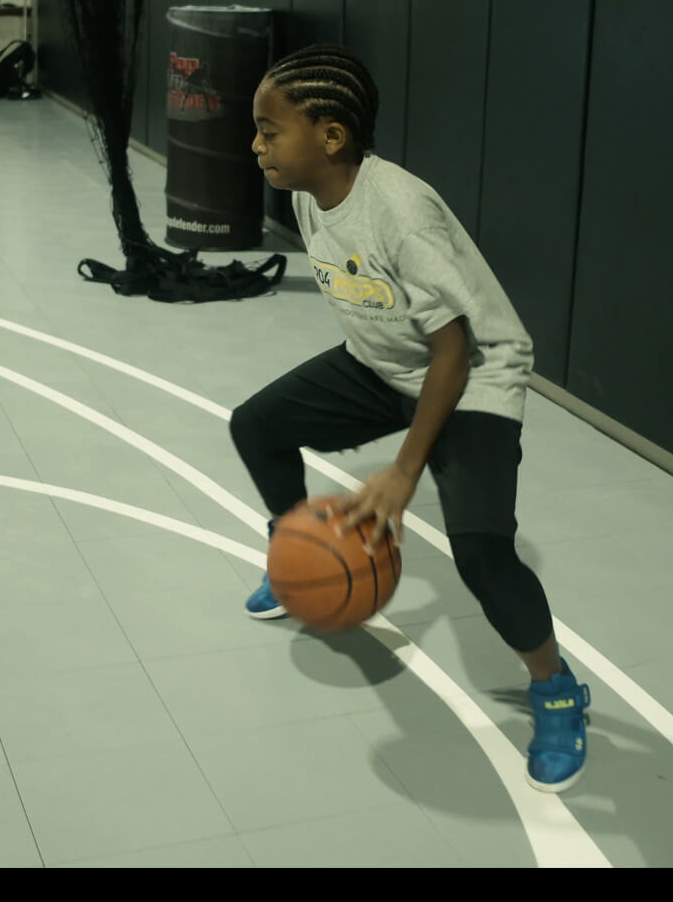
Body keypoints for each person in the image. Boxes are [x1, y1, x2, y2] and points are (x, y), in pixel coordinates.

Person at [226, 43, 589, 793]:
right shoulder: (304, 192)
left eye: (269, 129)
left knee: (483, 556)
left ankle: (557, 689)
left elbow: (454, 348)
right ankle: (295, 549)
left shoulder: (402, 211)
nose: (255, 144)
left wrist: (403, 469)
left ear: (331, 137)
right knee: (256, 423)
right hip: (386, 364)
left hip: (473, 374)